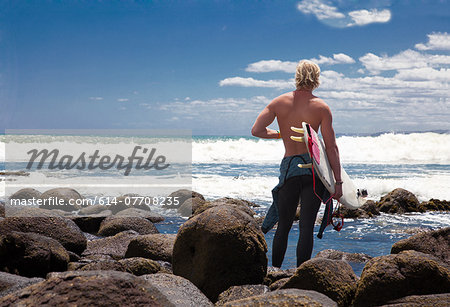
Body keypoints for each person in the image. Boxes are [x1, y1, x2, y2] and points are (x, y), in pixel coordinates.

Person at [251, 60, 343, 268]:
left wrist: (280, 134)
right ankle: (301, 273)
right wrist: (338, 182)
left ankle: (275, 271)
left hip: (289, 169)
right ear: (317, 79)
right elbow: (331, 147)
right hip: (313, 171)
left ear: (297, 77)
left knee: (283, 225)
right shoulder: (322, 107)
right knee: (306, 226)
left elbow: (256, 130)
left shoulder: (278, 102)